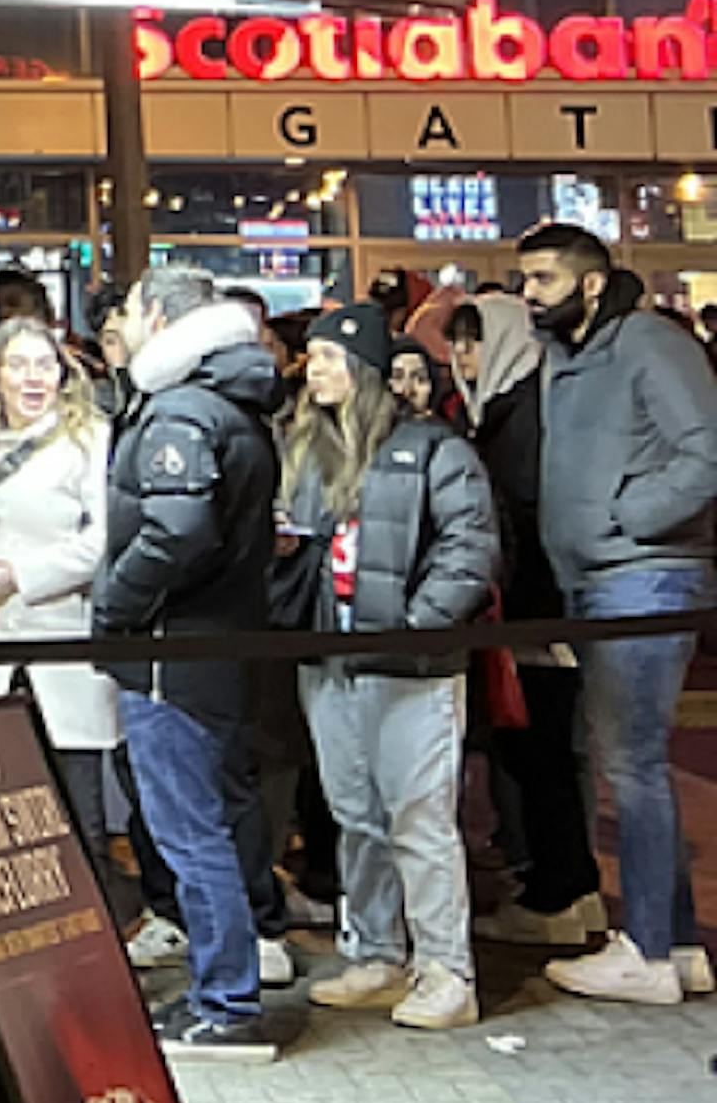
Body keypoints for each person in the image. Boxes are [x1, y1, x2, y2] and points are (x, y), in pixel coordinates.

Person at [280, 307, 501, 1028]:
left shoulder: (434, 448)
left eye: (327, 356)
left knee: (419, 817)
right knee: (355, 816)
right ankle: (375, 950)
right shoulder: (307, 449)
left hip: (412, 668)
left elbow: (470, 544)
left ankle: (446, 969)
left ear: (365, 369)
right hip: (330, 660)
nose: (313, 369)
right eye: (310, 356)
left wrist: (418, 624)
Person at [96, 260, 292, 1059]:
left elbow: (178, 530)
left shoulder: (180, 411)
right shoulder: (235, 405)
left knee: (189, 832)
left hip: (171, 653)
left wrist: (115, 604)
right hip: (215, 644)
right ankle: (226, 989)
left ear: (157, 315)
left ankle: (226, 1001)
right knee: (207, 824)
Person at [521, 216, 717, 1004]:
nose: (529, 294)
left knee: (630, 762)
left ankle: (648, 946)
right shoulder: (569, 355)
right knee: (632, 762)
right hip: (608, 576)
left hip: (641, 576)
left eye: (544, 279)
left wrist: (631, 517)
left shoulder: (645, 343)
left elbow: (706, 450)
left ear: (590, 281)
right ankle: (672, 941)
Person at [0, 316, 126, 888]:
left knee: (77, 815)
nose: (33, 378)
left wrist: (25, 575)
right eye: (18, 365)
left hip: (59, 645)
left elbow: (101, 541)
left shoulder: (90, 441)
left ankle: (92, 956)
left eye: (44, 364)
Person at [444, 284, 607, 951]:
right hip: (529, 610)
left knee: (542, 755)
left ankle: (559, 893)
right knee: (538, 756)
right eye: (455, 340)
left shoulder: (524, 418)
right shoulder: (502, 412)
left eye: (472, 339)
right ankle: (569, 887)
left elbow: (524, 516)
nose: (461, 354)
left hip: (537, 610)